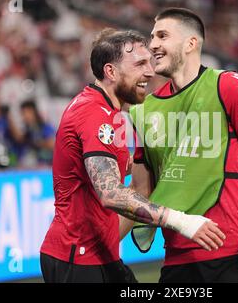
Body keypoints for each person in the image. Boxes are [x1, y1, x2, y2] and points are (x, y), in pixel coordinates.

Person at [39, 28, 225, 283]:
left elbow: (123, 174)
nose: (149, 71)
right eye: (139, 64)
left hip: (99, 255)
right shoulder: (93, 115)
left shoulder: (110, 113)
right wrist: (182, 222)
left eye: (149, 61)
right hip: (76, 259)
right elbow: (111, 193)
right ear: (111, 72)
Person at [129, 8, 238, 283]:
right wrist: (96, 250)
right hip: (176, 258)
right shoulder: (145, 109)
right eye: (152, 37)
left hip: (232, 252)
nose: (153, 45)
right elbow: (141, 190)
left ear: (191, 43)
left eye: (162, 36)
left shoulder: (230, 86)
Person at [19, 100, 55, 167]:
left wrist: (38, 143)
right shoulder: (27, 130)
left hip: (48, 166)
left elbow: (53, 144)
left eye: (28, 112)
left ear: (35, 112)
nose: (26, 116)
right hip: (33, 166)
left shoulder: (45, 126)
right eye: (23, 113)